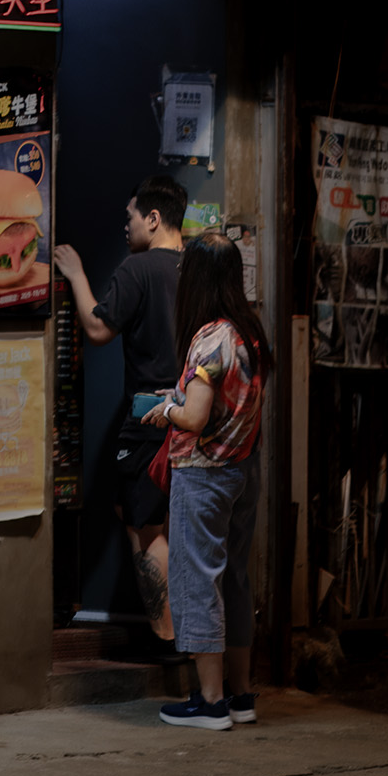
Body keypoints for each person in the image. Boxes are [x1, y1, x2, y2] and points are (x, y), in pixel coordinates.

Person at [142, 231, 271, 731]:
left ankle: (211, 702)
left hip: (204, 475)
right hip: (243, 471)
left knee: (197, 582)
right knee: (233, 579)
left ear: (198, 279)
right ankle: (240, 696)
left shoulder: (210, 338)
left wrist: (168, 409)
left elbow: (195, 418)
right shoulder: (249, 333)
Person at [51, 174, 187, 642]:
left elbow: (97, 329)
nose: (124, 225)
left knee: (145, 529)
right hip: (195, 416)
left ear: (153, 218)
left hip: (150, 419)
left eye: (130, 216)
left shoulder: (139, 268)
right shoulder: (198, 268)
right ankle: (192, 637)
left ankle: (170, 642)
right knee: (165, 520)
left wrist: (76, 274)